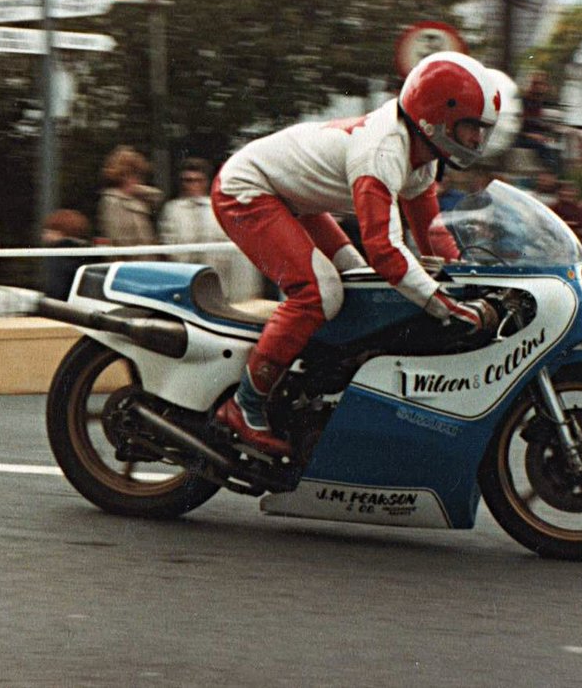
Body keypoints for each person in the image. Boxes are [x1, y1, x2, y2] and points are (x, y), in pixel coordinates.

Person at [211, 52, 500, 456]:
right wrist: (448, 307)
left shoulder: (420, 157)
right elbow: (385, 249)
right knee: (317, 293)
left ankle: (311, 386)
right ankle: (245, 404)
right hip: (248, 190)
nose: (476, 140)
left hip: (294, 198)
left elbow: (433, 238)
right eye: (471, 127)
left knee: (362, 284)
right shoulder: (383, 152)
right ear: (437, 116)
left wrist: (475, 277)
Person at [160, 158, 263, 301]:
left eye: (197, 180)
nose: (193, 185)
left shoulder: (218, 208)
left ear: (206, 182)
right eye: (188, 181)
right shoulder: (173, 210)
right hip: (186, 279)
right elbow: (168, 246)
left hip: (219, 280)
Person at [97, 145, 164, 260]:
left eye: (138, 174)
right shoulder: (112, 201)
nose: (137, 179)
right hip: (128, 261)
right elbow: (117, 237)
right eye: (132, 174)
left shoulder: (140, 199)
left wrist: (139, 191)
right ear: (122, 176)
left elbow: (158, 196)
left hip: (148, 260)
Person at [40, 209, 93, 301]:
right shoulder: (89, 254)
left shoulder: (58, 256)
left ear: (59, 232)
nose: (43, 236)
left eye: (48, 231)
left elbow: (56, 289)